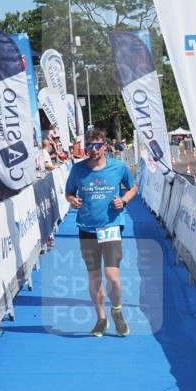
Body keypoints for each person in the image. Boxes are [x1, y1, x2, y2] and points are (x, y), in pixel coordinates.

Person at [65, 128, 138, 337]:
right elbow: (69, 192)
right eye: (89, 146)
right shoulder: (78, 170)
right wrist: (72, 200)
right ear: (85, 147)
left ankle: (117, 311)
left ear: (105, 146)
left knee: (112, 277)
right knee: (95, 278)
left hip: (111, 227)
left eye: (98, 145)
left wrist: (123, 200)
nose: (94, 150)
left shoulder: (118, 167)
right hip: (87, 229)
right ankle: (101, 319)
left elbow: (133, 188)